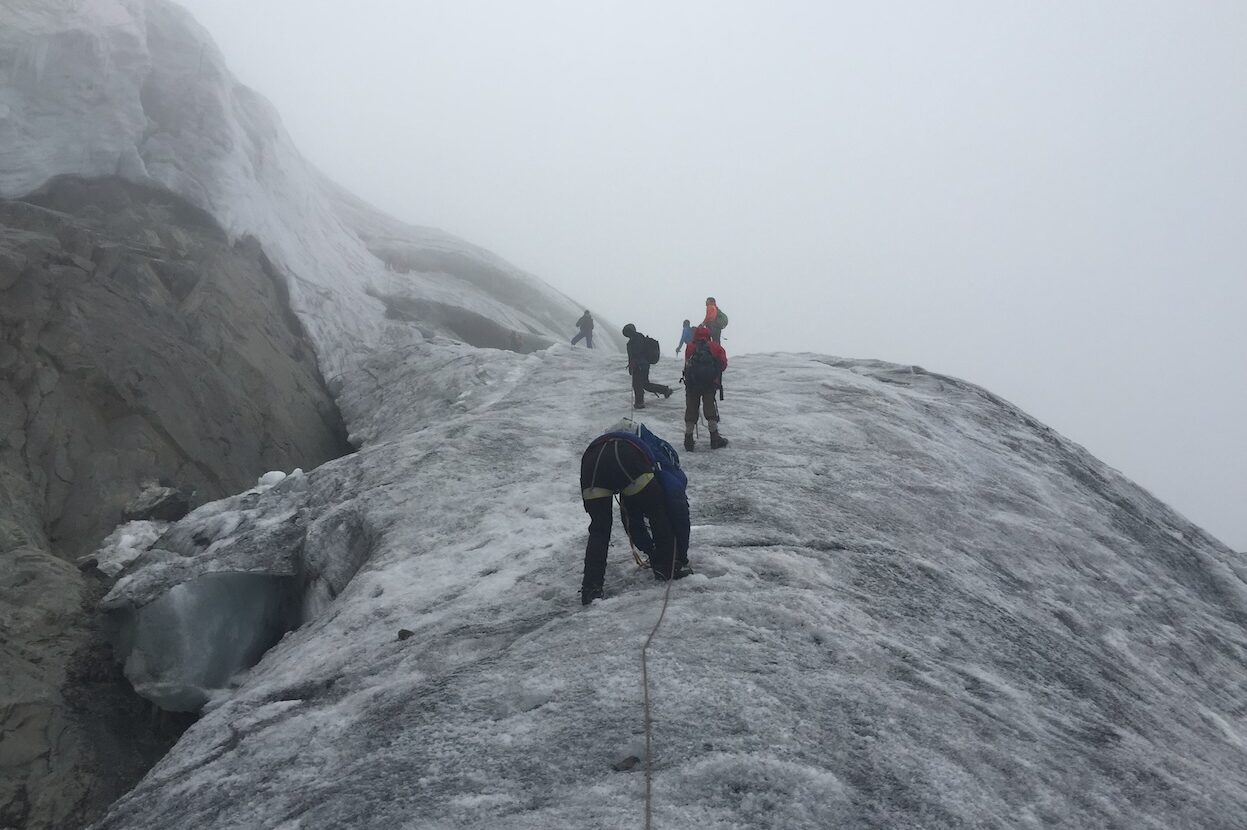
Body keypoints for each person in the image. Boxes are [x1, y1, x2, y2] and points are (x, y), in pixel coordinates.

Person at [579, 418, 693, 604]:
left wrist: (648, 549)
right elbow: (676, 510)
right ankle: (668, 566)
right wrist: (679, 555)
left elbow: (631, 520)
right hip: (627, 457)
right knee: (657, 510)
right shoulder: (665, 466)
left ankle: (591, 589)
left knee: (599, 529)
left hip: (592, 461)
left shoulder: (610, 440)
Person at [682, 325, 729, 451]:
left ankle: (688, 439)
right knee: (710, 409)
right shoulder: (715, 347)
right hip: (709, 384)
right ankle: (714, 438)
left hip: (692, 384)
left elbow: (687, 364)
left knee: (691, 409)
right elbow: (723, 364)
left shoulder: (690, 346)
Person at [621, 323, 672, 409]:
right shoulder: (640, 337)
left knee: (637, 384)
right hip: (644, 364)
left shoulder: (634, 340)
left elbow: (635, 354)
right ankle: (664, 390)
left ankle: (639, 403)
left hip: (639, 365)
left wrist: (632, 365)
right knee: (645, 384)